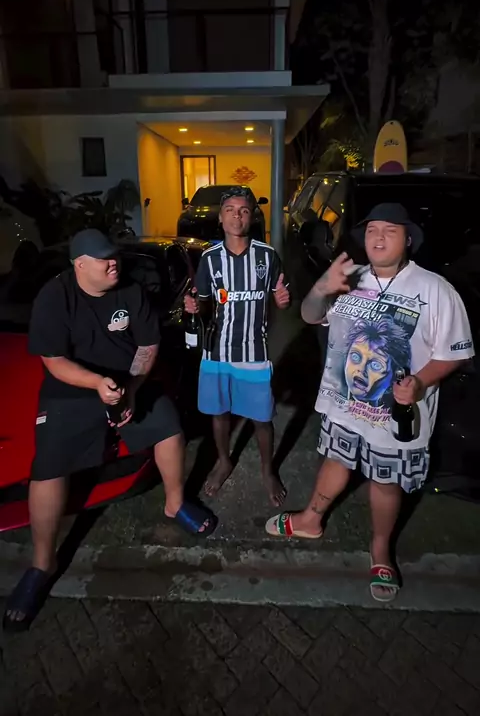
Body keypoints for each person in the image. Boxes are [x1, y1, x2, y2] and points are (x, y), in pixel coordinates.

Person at [4, 229, 215, 632]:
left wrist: (131, 389)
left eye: (114, 256)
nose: (113, 263)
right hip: (73, 388)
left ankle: (175, 503)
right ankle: (42, 564)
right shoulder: (54, 297)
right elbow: (53, 360)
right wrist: (96, 384)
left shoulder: (131, 291)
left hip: (127, 381)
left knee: (169, 426)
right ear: (80, 265)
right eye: (104, 259)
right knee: (47, 466)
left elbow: (148, 347)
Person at [266, 202, 474, 602]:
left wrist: (419, 382)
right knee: (335, 460)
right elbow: (309, 315)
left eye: (390, 231)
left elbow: (456, 353)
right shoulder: (351, 276)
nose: (378, 237)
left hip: (396, 416)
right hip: (342, 406)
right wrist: (321, 288)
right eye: (372, 230)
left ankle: (380, 550)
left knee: (386, 482)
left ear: (408, 239)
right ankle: (311, 519)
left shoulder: (435, 290)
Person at [184, 187, 290, 505]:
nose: (236, 216)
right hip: (216, 350)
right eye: (230, 210)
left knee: (262, 418)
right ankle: (224, 461)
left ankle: (267, 470)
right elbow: (204, 304)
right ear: (220, 218)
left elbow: (281, 297)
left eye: (243, 210)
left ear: (252, 217)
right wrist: (194, 307)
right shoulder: (209, 259)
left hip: (254, 351)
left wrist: (283, 300)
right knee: (219, 413)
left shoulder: (267, 256)